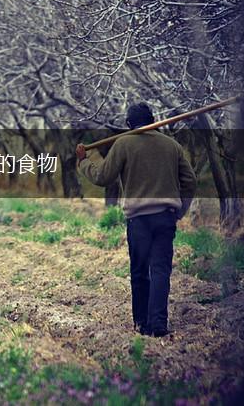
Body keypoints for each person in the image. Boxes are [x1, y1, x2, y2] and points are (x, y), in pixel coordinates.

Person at [75, 102, 197, 337]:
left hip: (138, 220)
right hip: (165, 218)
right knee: (160, 270)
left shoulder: (124, 143)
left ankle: (141, 324)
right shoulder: (172, 145)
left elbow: (102, 176)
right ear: (153, 119)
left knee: (140, 271)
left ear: (129, 124)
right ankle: (158, 324)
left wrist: (84, 161)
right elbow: (190, 181)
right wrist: (179, 210)